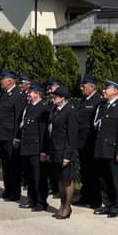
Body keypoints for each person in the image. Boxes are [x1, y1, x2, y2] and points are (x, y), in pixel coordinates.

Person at [93, 79, 118, 218]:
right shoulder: (103, 106)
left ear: (115, 91)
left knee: (116, 180)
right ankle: (107, 204)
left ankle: (116, 206)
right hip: (101, 148)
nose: (104, 90)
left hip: (113, 150)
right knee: (104, 179)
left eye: (107, 88)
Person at [15, 82, 49, 211]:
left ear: (37, 94)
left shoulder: (43, 109)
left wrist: (43, 151)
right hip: (26, 146)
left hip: (36, 148)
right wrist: (18, 138)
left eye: (31, 92)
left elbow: (43, 132)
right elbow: (23, 125)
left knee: (38, 176)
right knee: (29, 175)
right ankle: (31, 199)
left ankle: (41, 201)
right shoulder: (28, 107)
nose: (29, 94)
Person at [48, 85, 80, 219]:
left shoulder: (70, 112)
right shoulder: (55, 110)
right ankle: (62, 205)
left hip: (65, 151)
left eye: (56, 96)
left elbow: (71, 136)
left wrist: (67, 155)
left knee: (67, 180)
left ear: (63, 98)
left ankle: (67, 207)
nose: (53, 98)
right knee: (60, 180)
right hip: (55, 150)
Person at [0, 69, 23, 202]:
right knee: (5, 164)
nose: (0, 82)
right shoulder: (3, 94)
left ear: (10, 80)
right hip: (2, 135)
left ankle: (15, 192)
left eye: (2, 79)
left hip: (11, 136)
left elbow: (18, 119)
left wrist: (17, 137)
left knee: (13, 165)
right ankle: (8, 189)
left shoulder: (18, 95)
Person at [75, 76, 102, 208]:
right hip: (82, 142)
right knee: (84, 171)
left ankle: (95, 200)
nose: (81, 88)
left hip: (91, 142)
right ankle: (85, 196)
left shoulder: (98, 101)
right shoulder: (84, 100)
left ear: (92, 87)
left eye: (84, 86)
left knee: (93, 172)